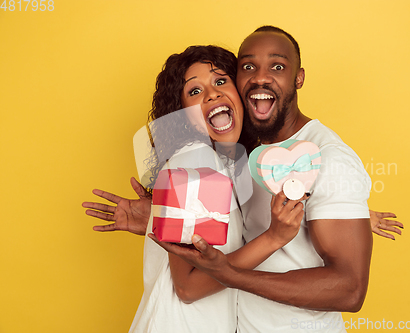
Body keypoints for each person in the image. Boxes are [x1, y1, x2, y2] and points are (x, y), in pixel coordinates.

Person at [151, 26, 399, 332]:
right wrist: (156, 212)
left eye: (277, 66)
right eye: (248, 67)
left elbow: (350, 290)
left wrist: (345, 214)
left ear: (299, 78)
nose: (261, 77)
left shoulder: (329, 156)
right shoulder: (241, 154)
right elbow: (220, 225)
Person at [85, 45, 307, 332]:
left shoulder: (221, 165)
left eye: (220, 81)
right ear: (183, 115)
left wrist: (349, 211)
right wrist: (274, 238)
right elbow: (188, 287)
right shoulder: (197, 159)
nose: (211, 93)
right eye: (194, 91)